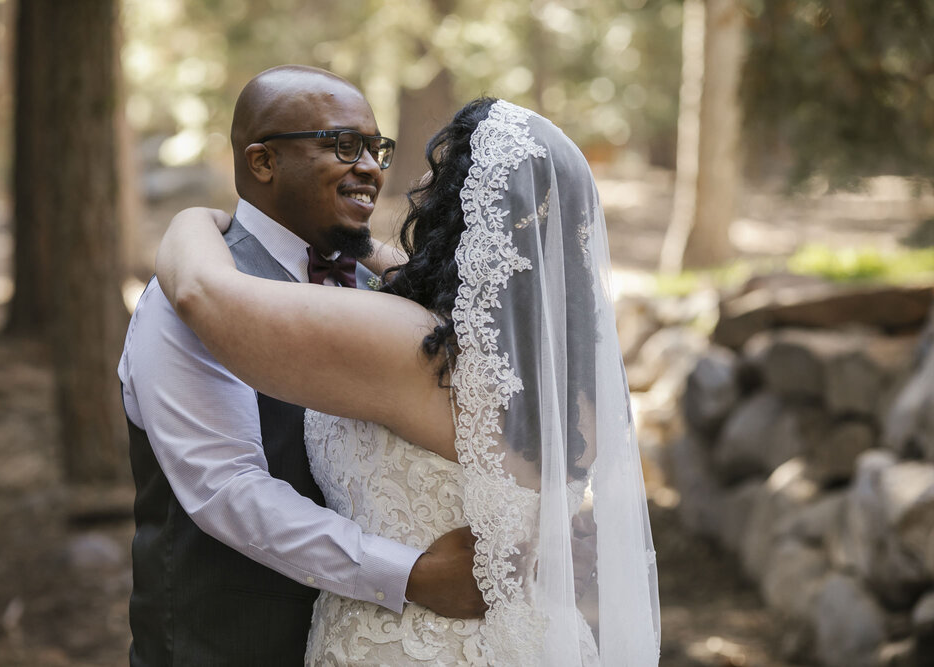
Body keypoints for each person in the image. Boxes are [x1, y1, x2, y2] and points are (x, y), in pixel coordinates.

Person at [157, 97, 662, 665]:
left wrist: (190, 221)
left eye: (440, 176)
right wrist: (369, 250)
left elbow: (202, 293)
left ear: (461, 211)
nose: (413, 181)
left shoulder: (412, 350)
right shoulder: (576, 373)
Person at [118, 65, 485, 667]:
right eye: (344, 145)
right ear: (262, 162)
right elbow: (225, 489)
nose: (370, 166)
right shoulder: (188, 298)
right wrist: (411, 575)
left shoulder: (383, 285)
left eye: (376, 147)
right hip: (227, 645)